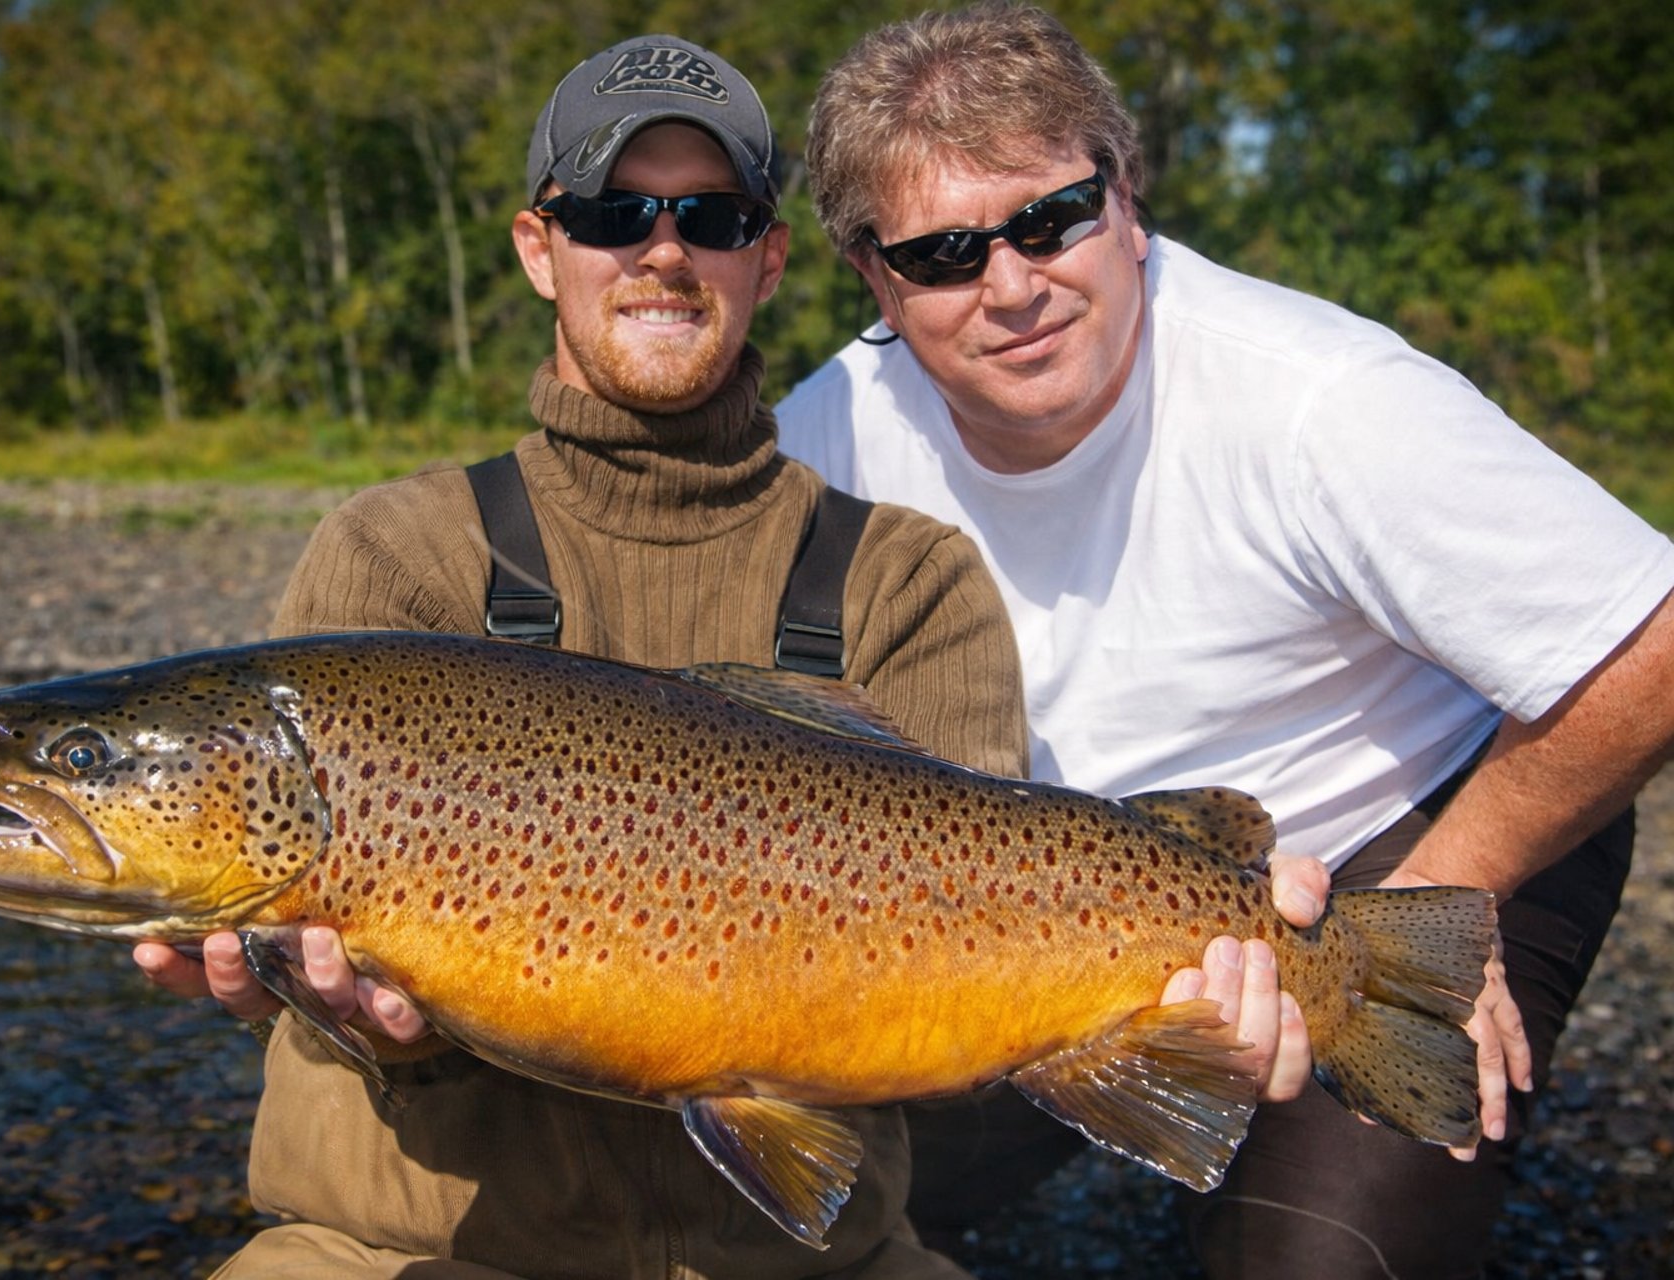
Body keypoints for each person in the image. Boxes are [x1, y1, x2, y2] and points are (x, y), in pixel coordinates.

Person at [135, 30, 1327, 1278]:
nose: (661, 249)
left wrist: (1180, 999)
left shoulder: (905, 579)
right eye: (611, 211)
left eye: (709, 215)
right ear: (540, 250)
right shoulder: (394, 552)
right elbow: (342, 994)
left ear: (766, 257)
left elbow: (977, 982)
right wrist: (355, 1014)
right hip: (394, 1253)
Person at [775, 3, 1674, 1276]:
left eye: (1050, 220)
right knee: (783, 1197)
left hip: (1397, 834)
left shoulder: (1318, 401)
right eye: (945, 253)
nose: (1015, 284)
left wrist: (1443, 890)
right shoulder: (826, 449)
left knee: (1320, 1260)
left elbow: (1649, 638)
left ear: (1125, 196)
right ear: (875, 273)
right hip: (1044, 894)